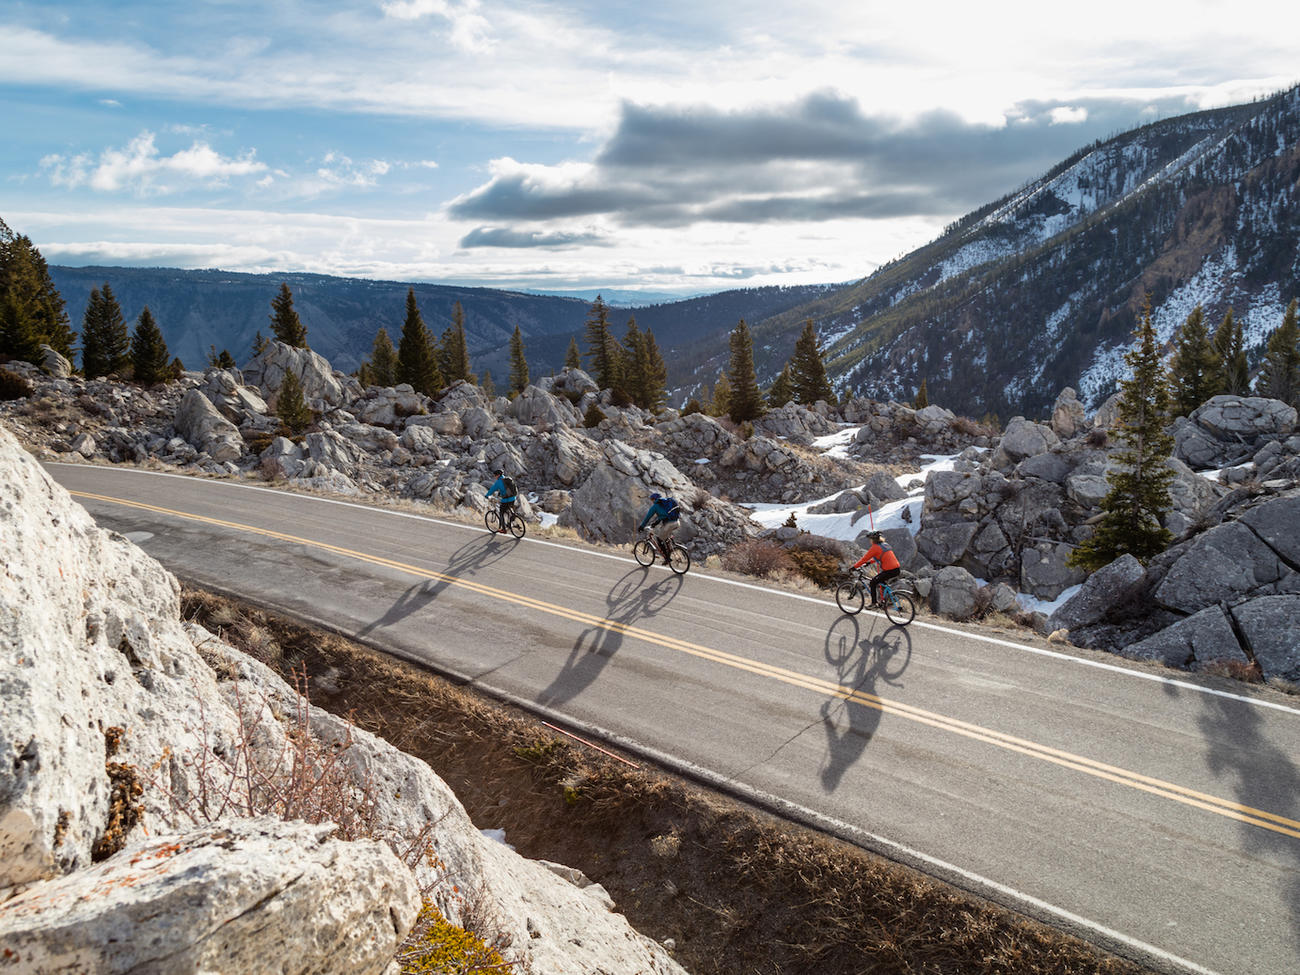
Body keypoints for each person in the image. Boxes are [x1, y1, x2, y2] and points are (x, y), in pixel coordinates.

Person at [851, 530, 901, 607]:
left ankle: (874, 603)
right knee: (881, 582)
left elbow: (864, 559)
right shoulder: (885, 545)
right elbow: (880, 556)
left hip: (889, 570)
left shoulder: (874, 547)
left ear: (872, 540)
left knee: (873, 582)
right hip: (896, 569)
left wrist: (854, 567)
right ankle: (884, 600)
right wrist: (870, 562)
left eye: (870, 539)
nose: (870, 541)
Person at [637, 491, 680, 557]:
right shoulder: (665, 503)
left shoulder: (655, 506)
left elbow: (647, 517)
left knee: (659, 538)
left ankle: (667, 557)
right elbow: (664, 515)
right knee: (665, 535)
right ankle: (670, 549)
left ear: (654, 499)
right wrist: (655, 523)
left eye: (652, 499)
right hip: (677, 522)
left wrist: (642, 526)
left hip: (670, 524)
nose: (652, 501)